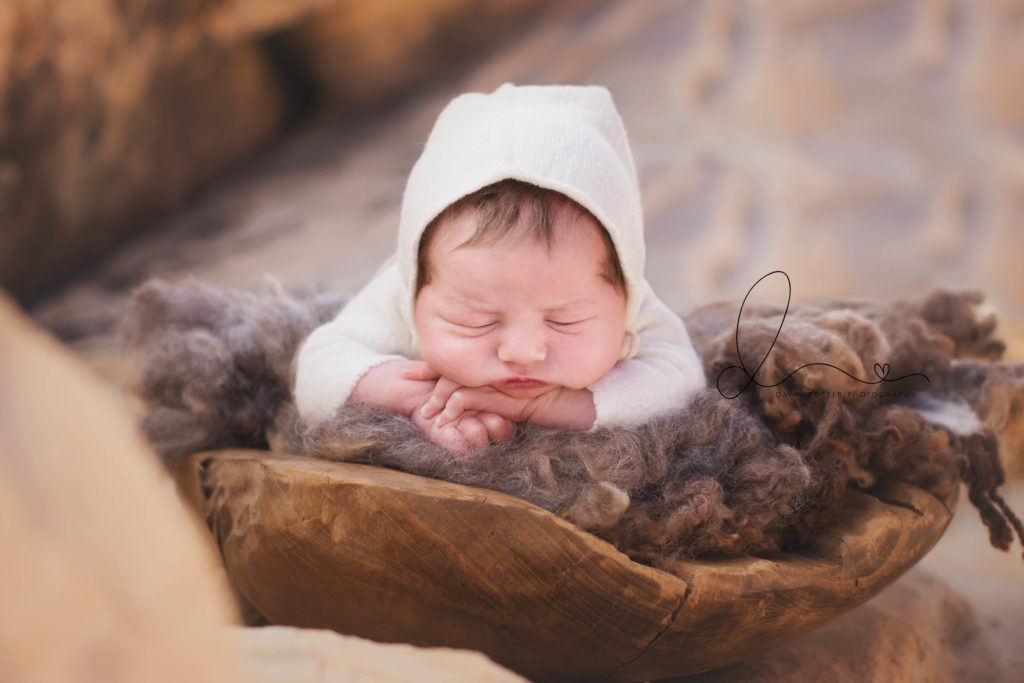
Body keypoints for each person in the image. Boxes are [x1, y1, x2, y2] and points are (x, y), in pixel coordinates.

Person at [294, 83, 706, 452]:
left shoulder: (632, 305)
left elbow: (681, 382)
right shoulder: (399, 295)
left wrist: (556, 406)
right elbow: (317, 368)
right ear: (417, 290)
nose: (523, 352)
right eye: (475, 321)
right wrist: (413, 395)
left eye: (564, 320)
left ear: (623, 296)